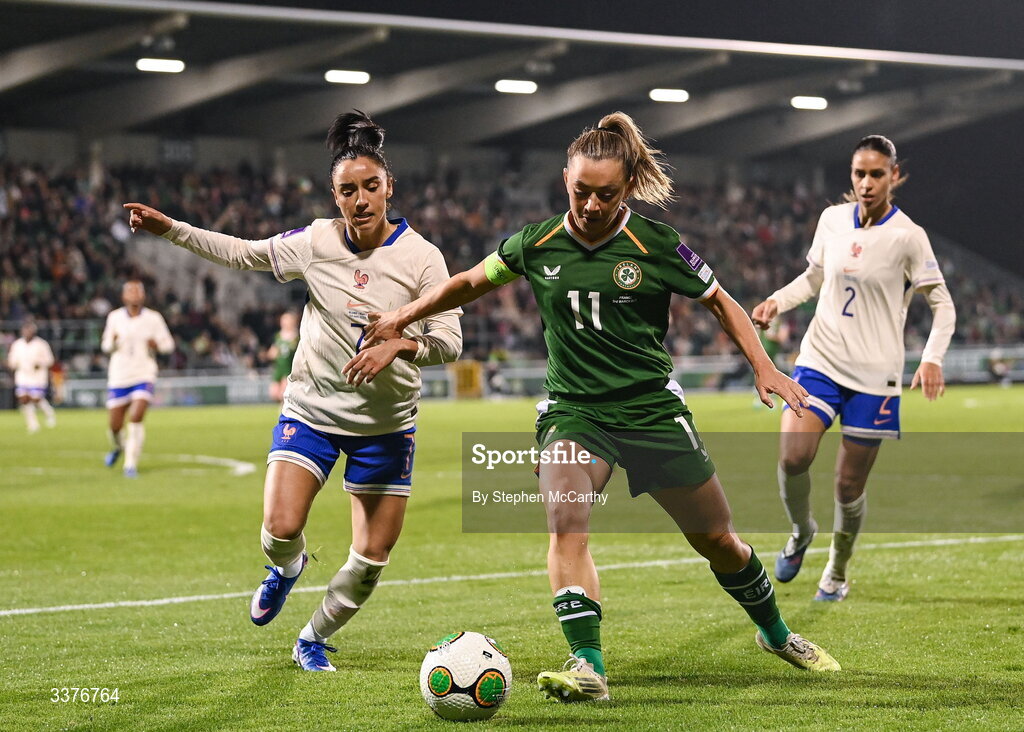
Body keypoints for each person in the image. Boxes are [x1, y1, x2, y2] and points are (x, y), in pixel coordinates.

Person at [357, 111, 841, 702]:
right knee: (567, 521)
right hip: (574, 412)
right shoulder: (535, 243)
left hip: (652, 411)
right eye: (581, 190)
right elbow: (465, 283)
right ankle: (588, 664)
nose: (589, 204)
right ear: (566, 177)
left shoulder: (656, 245)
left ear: (629, 187)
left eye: (605, 194)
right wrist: (401, 318)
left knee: (718, 541)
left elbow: (722, 302)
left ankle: (775, 633)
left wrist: (763, 365)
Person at [122, 110, 462, 672]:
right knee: (280, 529)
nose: (360, 200)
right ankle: (286, 568)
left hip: (387, 424)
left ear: (389, 188)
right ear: (334, 195)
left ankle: (312, 637)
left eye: (370, 187)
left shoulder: (423, 258)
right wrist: (170, 229)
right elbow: (242, 251)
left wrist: (400, 345)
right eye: (348, 190)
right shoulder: (315, 241)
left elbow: (449, 339)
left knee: (371, 556)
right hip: (313, 410)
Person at [751, 135, 956, 602]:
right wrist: (776, 303)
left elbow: (943, 305)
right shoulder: (832, 221)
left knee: (847, 485)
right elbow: (814, 278)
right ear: (851, 175)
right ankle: (802, 532)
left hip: (875, 377)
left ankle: (837, 572)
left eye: (877, 174)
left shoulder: (909, 236)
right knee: (792, 457)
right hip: (821, 359)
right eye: (859, 173)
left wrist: (931, 357)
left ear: (894, 177)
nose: (866, 183)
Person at [100, 280, 175, 477]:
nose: (134, 294)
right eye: (130, 291)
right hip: (119, 375)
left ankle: (130, 465)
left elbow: (168, 345)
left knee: (136, 416)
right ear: (124, 296)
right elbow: (105, 346)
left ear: (143, 296)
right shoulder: (114, 317)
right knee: (115, 426)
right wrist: (113, 342)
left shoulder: (153, 318)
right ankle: (118, 448)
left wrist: (157, 345)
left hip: (144, 373)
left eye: (137, 291)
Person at [7, 320, 57, 433]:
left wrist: (40, 364)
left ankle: (49, 413)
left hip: (37, 376)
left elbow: (50, 360)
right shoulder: (17, 344)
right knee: (24, 399)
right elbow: (12, 360)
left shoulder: (41, 344)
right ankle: (32, 424)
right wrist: (13, 364)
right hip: (22, 375)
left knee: (36, 398)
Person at [266, 311, 300, 402]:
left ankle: (284, 413)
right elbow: (272, 352)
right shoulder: (278, 336)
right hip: (278, 368)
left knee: (283, 394)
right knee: (273, 393)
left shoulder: (297, 337)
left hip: (289, 369)